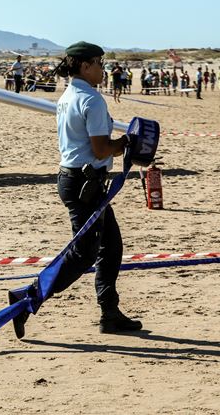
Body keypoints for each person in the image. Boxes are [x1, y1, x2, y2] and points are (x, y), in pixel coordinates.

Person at [11, 41, 141, 339]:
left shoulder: (70, 94)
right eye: (99, 63)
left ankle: (110, 312)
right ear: (85, 65)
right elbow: (99, 150)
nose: (103, 69)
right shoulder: (92, 100)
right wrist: (126, 145)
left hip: (76, 179)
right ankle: (27, 298)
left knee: (111, 247)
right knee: (83, 254)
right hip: (85, 182)